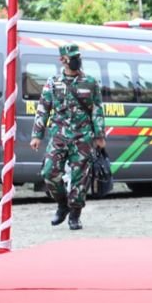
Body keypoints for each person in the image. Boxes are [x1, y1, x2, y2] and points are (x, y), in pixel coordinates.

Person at [30, 43, 106, 231]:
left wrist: (99, 135)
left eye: (78, 57)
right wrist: (37, 135)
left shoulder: (90, 82)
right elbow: (43, 109)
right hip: (59, 136)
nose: (76, 60)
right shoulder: (53, 82)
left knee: (81, 178)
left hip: (83, 137)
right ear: (62, 60)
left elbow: (97, 110)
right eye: (72, 57)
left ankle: (75, 215)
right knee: (49, 172)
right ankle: (63, 204)